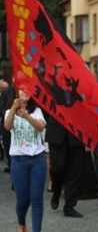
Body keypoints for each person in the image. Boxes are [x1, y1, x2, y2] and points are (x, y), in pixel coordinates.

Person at [4, 87, 47, 232]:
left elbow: (40, 127)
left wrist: (27, 116)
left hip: (37, 159)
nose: (25, 91)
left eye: (28, 89)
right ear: (16, 93)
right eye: (22, 89)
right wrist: (14, 109)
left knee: (36, 199)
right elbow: (7, 126)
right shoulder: (8, 112)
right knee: (22, 201)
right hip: (18, 161)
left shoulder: (36, 111)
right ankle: (21, 223)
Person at [45, 114, 85, 218]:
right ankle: (56, 191)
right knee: (57, 169)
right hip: (56, 131)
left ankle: (69, 206)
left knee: (75, 172)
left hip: (77, 132)